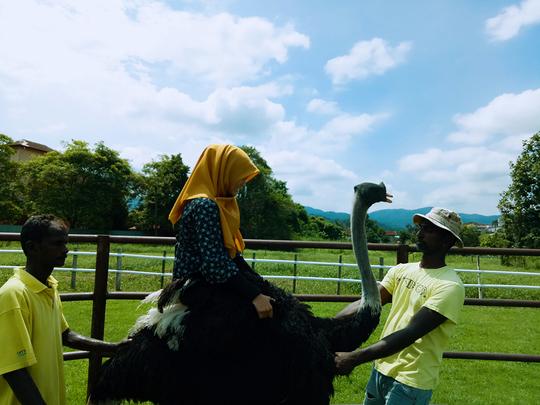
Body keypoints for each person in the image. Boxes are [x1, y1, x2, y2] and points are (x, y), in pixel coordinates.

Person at [335, 207, 465, 405]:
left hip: (412, 380)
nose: (420, 233)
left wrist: (354, 358)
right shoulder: (401, 270)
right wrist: (327, 325)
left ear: (447, 240)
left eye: (429, 230)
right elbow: (367, 303)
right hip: (381, 369)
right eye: (421, 227)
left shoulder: (450, 286)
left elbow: (411, 333)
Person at [0, 214, 126, 405]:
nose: (65, 250)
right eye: (57, 244)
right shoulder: (14, 295)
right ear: (32, 247)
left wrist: (114, 348)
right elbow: (14, 371)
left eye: (65, 243)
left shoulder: (49, 286)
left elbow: (65, 335)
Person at [164, 143, 273, 319]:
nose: (243, 182)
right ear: (225, 171)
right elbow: (214, 264)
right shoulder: (205, 205)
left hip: (209, 282)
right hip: (195, 286)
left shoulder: (218, 204)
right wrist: (255, 295)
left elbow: (232, 256)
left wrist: (261, 285)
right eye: (240, 175)